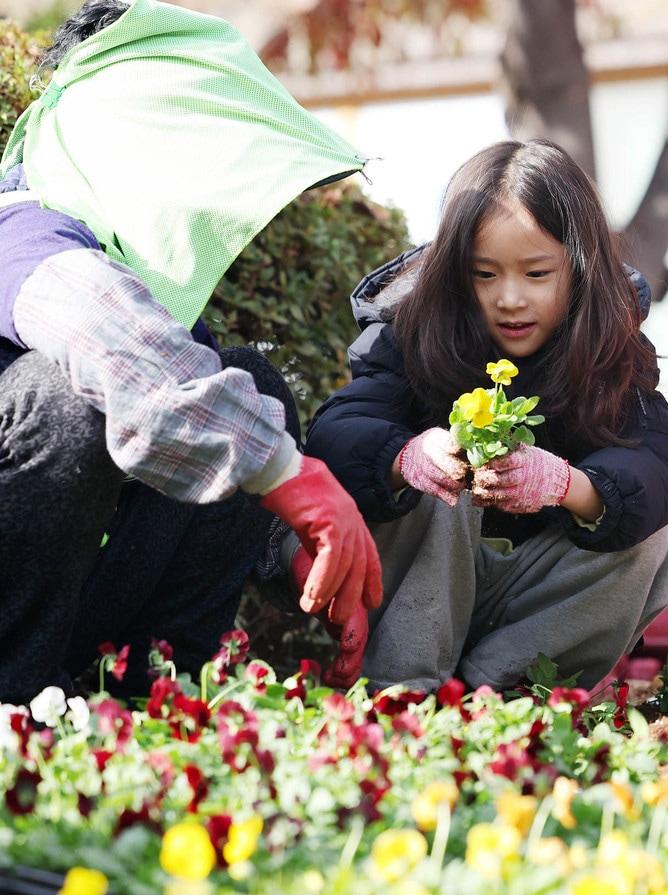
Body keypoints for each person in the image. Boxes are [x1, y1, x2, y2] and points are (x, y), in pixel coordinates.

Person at [0, 0, 382, 702]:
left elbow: (193, 416)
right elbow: (104, 335)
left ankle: (154, 697)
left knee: (243, 387)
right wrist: (291, 475)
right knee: (67, 398)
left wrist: (292, 552)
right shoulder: (22, 231)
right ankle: (14, 703)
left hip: (69, 626)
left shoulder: (144, 294)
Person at [299, 139, 668, 693]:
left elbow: (655, 466)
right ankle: (400, 695)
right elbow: (338, 432)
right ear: (456, 273)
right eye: (485, 275)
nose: (510, 299)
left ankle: (502, 698)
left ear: (578, 270)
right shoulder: (407, 331)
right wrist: (406, 458)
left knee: (649, 540)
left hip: (525, 598)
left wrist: (566, 485)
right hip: (412, 589)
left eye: (536, 274)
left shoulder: (608, 347)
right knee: (440, 484)